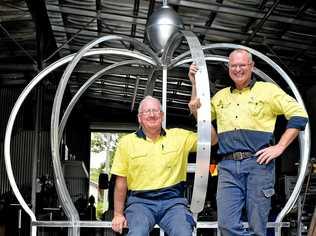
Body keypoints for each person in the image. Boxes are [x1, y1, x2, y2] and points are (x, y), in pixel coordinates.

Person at [188, 48, 308, 236]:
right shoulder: (220, 97)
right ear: (228, 68)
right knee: (226, 225)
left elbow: (299, 115)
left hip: (258, 164)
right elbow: (204, 123)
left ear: (251, 66)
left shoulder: (267, 91)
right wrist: (194, 85)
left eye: (242, 65)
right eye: (233, 65)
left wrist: (280, 147)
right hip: (227, 166)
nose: (237, 69)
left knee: (257, 226)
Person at [111, 95, 217, 236]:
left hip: (173, 202)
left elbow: (212, 140)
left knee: (183, 232)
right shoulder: (126, 143)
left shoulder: (179, 136)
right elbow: (121, 182)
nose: (152, 114)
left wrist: (198, 114)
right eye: (147, 111)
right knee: (137, 232)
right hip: (140, 203)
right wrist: (118, 214)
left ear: (162, 115)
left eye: (156, 111)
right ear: (139, 118)